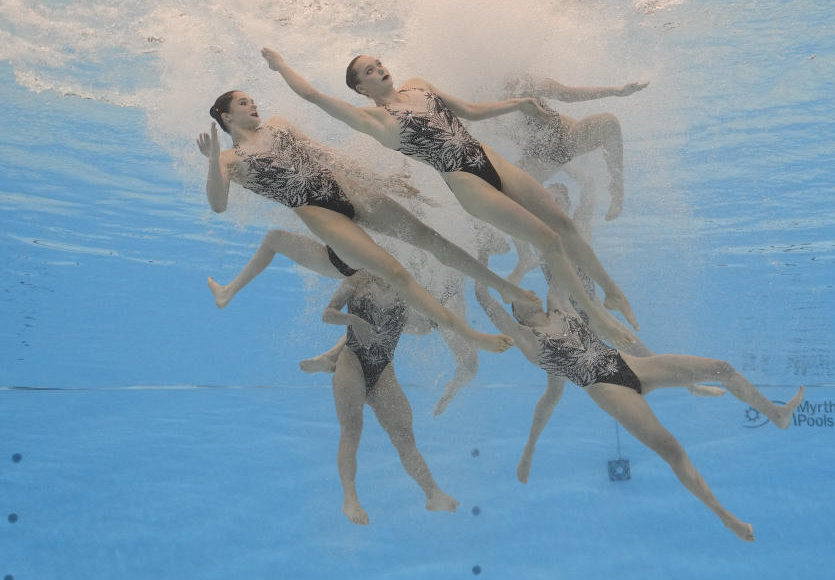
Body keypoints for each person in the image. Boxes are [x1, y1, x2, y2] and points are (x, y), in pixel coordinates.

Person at [259, 49, 639, 351]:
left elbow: (471, 112)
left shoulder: (419, 85)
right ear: (361, 88)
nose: (379, 69)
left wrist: (518, 102)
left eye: (378, 63)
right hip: (465, 180)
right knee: (548, 240)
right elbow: (311, 95)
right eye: (369, 71)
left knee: (564, 225)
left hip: (487, 156)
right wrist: (280, 66)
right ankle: (597, 316)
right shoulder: (373, 120)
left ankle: (611, 292)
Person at [473, 252, 804, 542]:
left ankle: (776, 415)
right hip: (607, 389)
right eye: (518, 294)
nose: (527, 291)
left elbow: (554, 257)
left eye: (528, 288)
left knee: (722, 368)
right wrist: (482, 255)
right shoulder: (527, 340)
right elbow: (484, 297)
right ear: (515, 312)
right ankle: (726, 517)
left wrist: (528, 237)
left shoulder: (559, 306)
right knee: (671, 449)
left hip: (635, 365)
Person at [198, 90, 519, 354]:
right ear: (226, 117)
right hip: (319, 214)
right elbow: (218, 205)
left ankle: (502, 285)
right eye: (243, 103)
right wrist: (213, 158)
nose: (253, 104)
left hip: (348, 191)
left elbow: (329, 155)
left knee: (428, 237)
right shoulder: (228, 160)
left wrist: (384, 181)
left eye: (253, 100)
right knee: (394, 272)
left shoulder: (279, 126)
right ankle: (468, 334)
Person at [206, 229, 479, 415]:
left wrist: (450, 391)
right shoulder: (405, 262)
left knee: (390, 302)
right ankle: (330, 356)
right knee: (277, 238)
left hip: (413, 311)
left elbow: (468, 362)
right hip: (362, 265)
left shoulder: (444, 297)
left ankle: (331, 356)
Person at [313, 268, 459, 524]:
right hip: (352, 363)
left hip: (384, 370)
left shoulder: (407, 286)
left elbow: (427, 322)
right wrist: (353, 321)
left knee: (405, 437)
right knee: (351, 429)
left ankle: (433, 494)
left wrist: (446, 318)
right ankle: (350, 499)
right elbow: (327, 314)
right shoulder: (356, 280)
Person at [503, 74, 649, 221]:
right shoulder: (487, 102)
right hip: (537, 160)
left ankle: (617, 187)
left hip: (567, 138)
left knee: (609, 122)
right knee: (504, 199)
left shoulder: (526, 82)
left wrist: (615, 91)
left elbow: (567, 94)